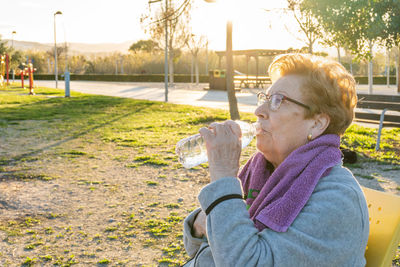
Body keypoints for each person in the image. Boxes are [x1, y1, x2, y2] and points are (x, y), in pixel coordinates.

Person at [182, 53, 369, 267]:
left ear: (317, 124)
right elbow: (198, 249)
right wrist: (200, 224)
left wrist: (224, 180)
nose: (258, 111)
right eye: (264, 99)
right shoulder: (264, 174)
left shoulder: (338, 200)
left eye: (278, 101)